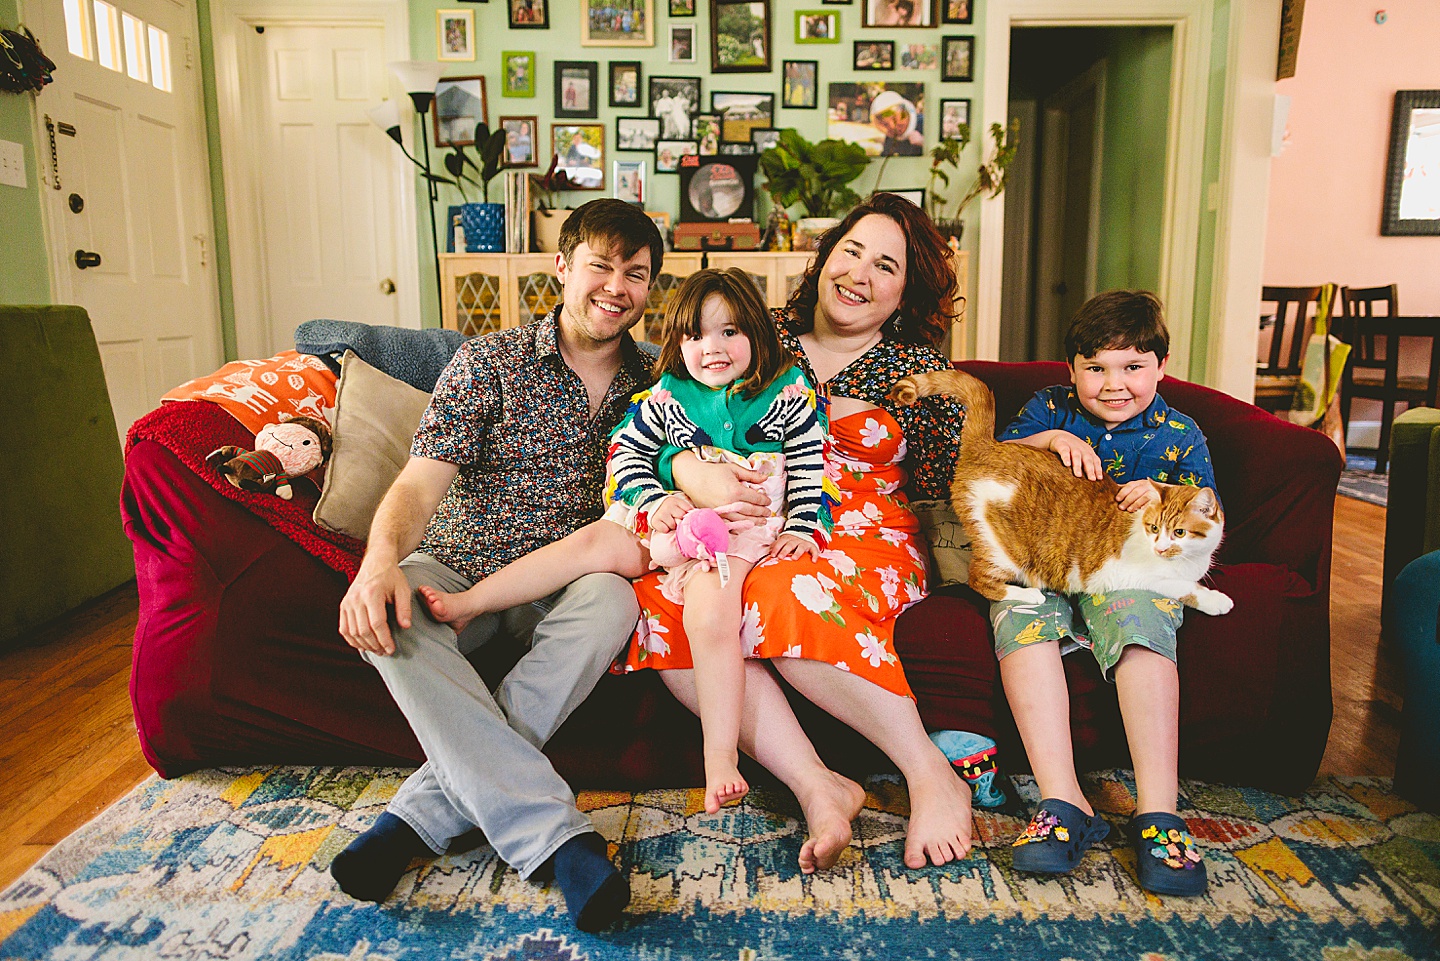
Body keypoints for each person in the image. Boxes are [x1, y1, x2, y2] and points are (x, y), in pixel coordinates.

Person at [328, 199, 664, 932]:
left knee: (615, 600)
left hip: (566, 583)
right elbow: (418, 482)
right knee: (394, 605)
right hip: (457, 567)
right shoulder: (488, 362)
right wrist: (377, 562)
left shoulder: (662, 385)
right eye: (601, 265)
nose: (616, 286)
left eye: (635, 274)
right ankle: (560, 839)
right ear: (563, 267)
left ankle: (412, 823)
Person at [617, 193, 976, 874]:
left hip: (866, 533)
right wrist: (683, 468)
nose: (859, 274)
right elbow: (663, 408)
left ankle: (931, 772)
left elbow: (957, 476)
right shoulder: (758, 330)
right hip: (743, 523)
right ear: (825, 256)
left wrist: (1043, 437)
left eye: (885, 265)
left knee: (783, 589)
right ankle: (819, 784)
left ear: (905, 291)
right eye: (851, 251)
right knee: (663, 608)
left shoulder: (920, 372)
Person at [421, 268, 832, 815]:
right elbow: (627, 453)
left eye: (730, 332)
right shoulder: (665, 395)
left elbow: (809, 465)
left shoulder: (786, 393)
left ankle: (720, 758)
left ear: (758, 334)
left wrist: (804, 526)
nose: (713, 348)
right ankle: (469, 603)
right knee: (593, 543)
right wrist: (653, 500)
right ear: (676, 343)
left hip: (733, 531)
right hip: (670, 523)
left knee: (709, 617)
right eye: (695, 336)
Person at [993, 290, 1216, 897]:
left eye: (1132, 367)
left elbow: (1205, 513)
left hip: (1128, 570)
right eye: (1095, 368)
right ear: (1071, 371)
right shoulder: (1049, 408)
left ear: (1161, 367)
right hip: (1042, 559)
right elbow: (995, 461)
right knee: (1020, 616)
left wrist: (1160, 493)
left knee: (1141, 626)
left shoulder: (1180, 432)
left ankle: (1159, 813)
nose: (1113, 385)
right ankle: (1063, 799)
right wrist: (1046, 444)